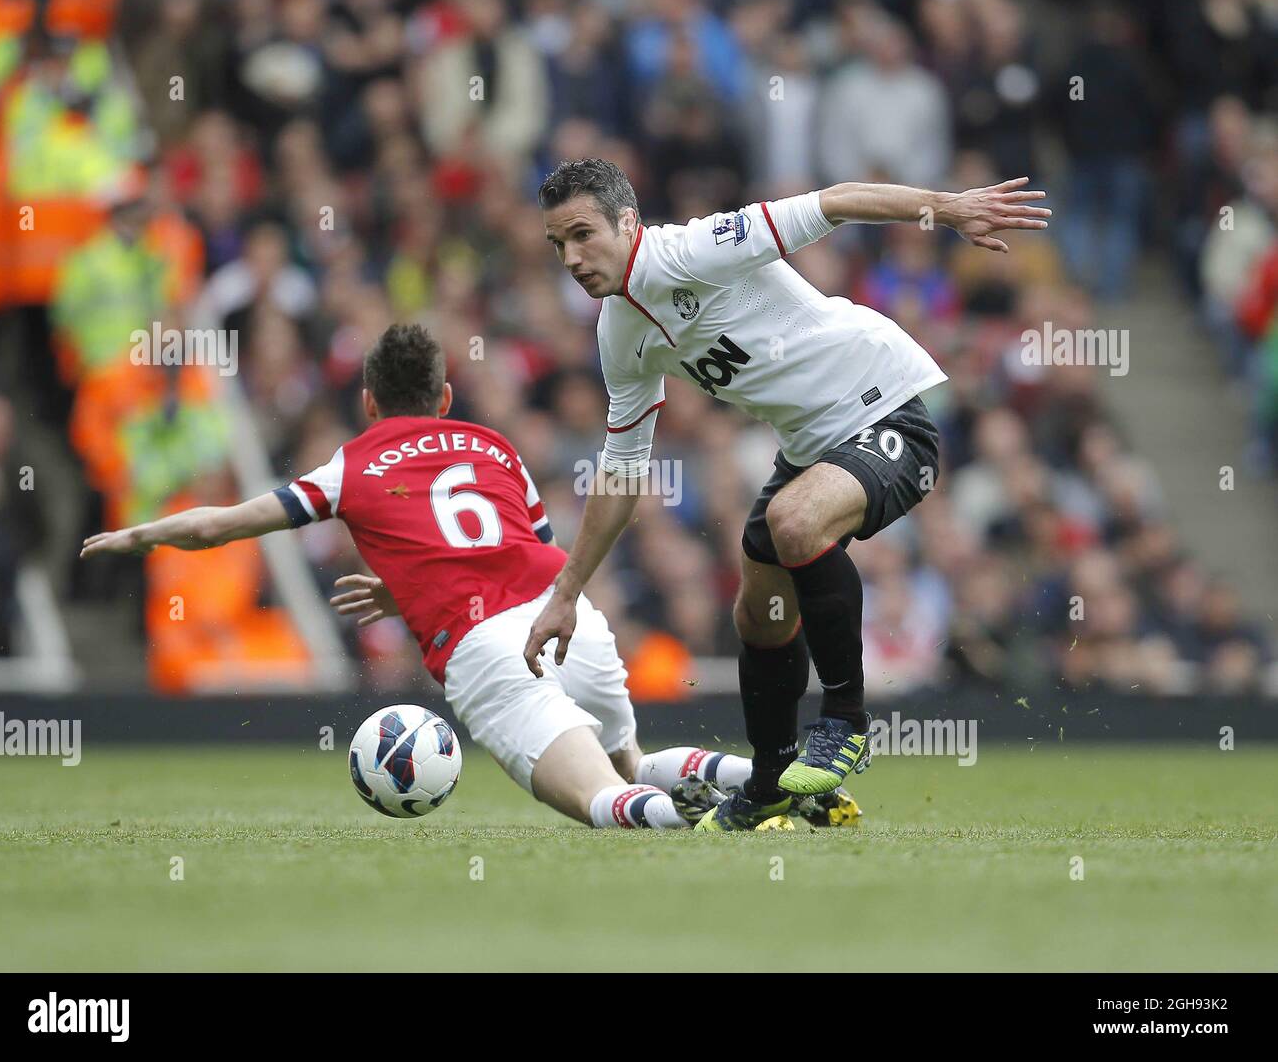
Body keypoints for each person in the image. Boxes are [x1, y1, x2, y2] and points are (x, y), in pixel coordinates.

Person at [80, 323, 860, 830]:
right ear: (446, 397)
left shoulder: (351, 466)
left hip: (487, 649)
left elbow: (220, 522)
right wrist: (410, 583)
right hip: (571, 617)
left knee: (605, 801)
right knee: (627, 762)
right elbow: (524, 542)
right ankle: (778, 781)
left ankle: (726, 833)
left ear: (368, 402)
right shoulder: (493, 447)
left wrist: (139, 535)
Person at [525, 159, 1049, 830]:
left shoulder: (697, 247)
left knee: (793, 519)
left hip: (886, 409)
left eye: (581, 235)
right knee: (759, 608)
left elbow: (836, 202)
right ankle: (770, 784)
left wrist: (946, 209)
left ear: (628, 222)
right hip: (811, 447)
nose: (571, 257)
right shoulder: (618, 333)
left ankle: (847, 722)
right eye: (557, 244)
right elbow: (622, 471)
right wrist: (567, 592)